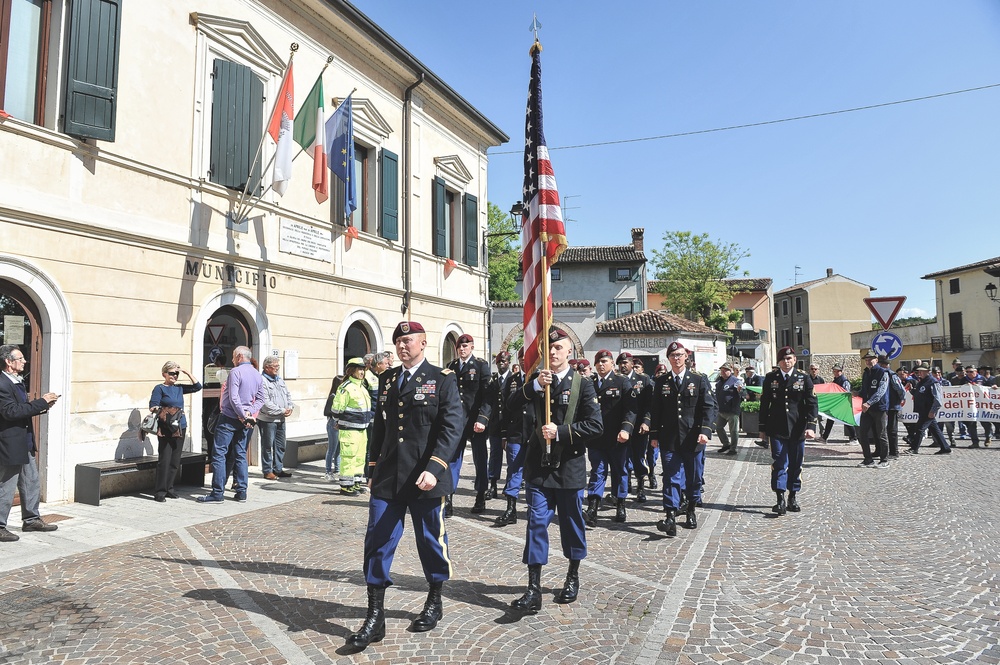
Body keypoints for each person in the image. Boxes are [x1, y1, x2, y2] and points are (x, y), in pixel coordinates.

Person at [347, 322, 463, 649]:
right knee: (377, 539)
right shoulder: (387, 379)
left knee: (430, 540)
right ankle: (375, 616)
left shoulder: (442, 379)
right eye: (398, 341)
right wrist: (372, 467)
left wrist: (436, 467)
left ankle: (435, 599)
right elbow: (380, 429)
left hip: (426, 477)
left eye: (408, 340)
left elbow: (452, 428)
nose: (402, 346)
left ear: (423, 343)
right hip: (388, 476)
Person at [507, 327, 602, 613]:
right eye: (549, 349)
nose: (553, 353)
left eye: (558, 348)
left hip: (569, 467)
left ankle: (572, 576)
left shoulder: (581, 385)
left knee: (572, 525)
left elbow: (596, 426)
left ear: (569, 351)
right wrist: (534, 386)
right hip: (538, 469)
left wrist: (560, 432)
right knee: (536, 525)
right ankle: (533, 589)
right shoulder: (538, 383)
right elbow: (510, 407)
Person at [648, 342, 717, 537]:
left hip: (693, 438)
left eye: (679, 355)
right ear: (668, 359)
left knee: (693, 478)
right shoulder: (662, 382)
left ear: (686, 357)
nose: (676, 358)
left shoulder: (698, 379)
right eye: (673, 356)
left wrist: (705, 431)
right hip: (669, 438)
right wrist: (654, 435)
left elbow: (708, 407)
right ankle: (670, 515)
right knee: (671, 477)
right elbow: (656, 411)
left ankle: (691, 510)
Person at [0, 344, 59, 542]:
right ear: (9, 362)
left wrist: (43, 406)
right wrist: (41, 402)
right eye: (21, 358)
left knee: (31, 481)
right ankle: (0, 526)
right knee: (7, 487)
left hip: (24, 441)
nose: (25, 361)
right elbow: (10, 412)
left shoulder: (16, 381)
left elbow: (22, 408)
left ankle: (31, 519)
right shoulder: (2, 383)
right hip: (9, 443)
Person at [198, 346, 264, 504]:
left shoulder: (236, 372)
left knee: (219, 454)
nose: (233, 360)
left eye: (234, 357)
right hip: (244, 420)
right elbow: (261, 399)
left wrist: (242, 414)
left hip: (229, 418)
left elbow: (234, 398)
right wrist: (248, 414)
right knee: (240, 454)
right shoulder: (256, 373)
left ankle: (217, 493)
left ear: (240, 356)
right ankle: (241, 492)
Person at [759, 346, 817, 515]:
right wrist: (762, 429)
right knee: (779, 462)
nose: (787, 361)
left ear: (794, 360)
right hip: (777, 428)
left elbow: (812, 403)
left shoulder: (803, 378)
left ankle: (793, 496)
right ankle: (780, 499)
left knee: (796, 463)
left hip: (797, 428)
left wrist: (811, 426)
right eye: (784, 359)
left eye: (790, 358)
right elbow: (764, 404)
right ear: (779, 361)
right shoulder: (771, 378)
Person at [584, 350, 636, 526]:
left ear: (612, 364)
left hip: (617, 437)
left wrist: (626, 429)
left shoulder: (622, 382)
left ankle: (621, 504)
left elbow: (630, 408)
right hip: (596, 438)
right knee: (597, 471)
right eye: (598, 361)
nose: (601, 364)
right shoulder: (589, 383)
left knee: (619, 471)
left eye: (604, 361)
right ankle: (593, 506)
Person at [446, 334, 492, 516]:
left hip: (476, 421)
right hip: (456, 421)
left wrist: (483, 419)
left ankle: (480, 495)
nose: (462, 349)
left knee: (480, 460)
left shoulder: (481, 366)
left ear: (472, 347)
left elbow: (488, 395)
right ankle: (448, 497)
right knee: (452, 460)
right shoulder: (451, 367)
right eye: (459, 347)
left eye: (465, 346)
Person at [147, 361, 202, 502]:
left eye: (176, 374)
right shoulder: (159, 389)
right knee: (164, 460)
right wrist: (167, 411)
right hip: (166, 428)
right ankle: (160, 492)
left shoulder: (179, 388)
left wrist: (187, 372)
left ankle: (169, 488)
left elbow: (197, 387)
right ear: (164, 374)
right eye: (171, 373)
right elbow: (153, 406)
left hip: (180, 427)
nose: (174, 376)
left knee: (175, 461)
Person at [495, 349, 529, 527]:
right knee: (514, 469)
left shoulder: (542, 377)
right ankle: (511, 508)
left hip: (534, 433)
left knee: (533, 471)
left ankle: (533, 506)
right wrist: (504, 433)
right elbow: (505, 409)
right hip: (515, 432)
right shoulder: (512, 380)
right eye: (521, 358)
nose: (524, 361)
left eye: (527, 358)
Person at [617, 352, 655, 502]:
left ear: (632, 364)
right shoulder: (616, 380)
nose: (623, 365)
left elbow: (649, 404)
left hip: (639, 426)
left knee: (639, 457)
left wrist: (646, 422)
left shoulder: (643, 380)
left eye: (626, 362)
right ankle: (625, 485)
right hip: (621, 426)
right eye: (620, 363)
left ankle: (641, 486)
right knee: (622, 458)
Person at [332, 358, 373, 495]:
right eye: (359, 369)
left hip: (362, 428)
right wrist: (338, 421)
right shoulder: (346, 387)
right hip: (349, 429)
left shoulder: (362, 386)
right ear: (351, 371)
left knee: (360, 457)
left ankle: (355, 482)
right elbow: (337, 408)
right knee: (349, 457)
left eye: (363, 369)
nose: (362, 372)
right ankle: (346, 485)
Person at [257, 356, 295, 480]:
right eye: (275, 366)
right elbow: (265, 403)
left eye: (278, 366)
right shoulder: (262, 381)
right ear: (267, 367)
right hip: (268, 419)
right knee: (267, 446)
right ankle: (267, 470)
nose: (277, 369)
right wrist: (282, 410)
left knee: (280, 445)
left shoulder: (279, 380)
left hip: (281, 418)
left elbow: (288, 395)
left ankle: (278, 469)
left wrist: (290, 406)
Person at [485, 351, 513, 501]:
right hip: (495, 425)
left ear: (509, 362)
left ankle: (509, 484)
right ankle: (493, 485)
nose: (501, 363)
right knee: (495, 456)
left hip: (509, 425)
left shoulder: (513, 379)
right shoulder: (493, 380)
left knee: (510, 457)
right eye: (499, 362)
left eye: (504, 361)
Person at [905, 364, 951, 455]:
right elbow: (919, 394)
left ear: (927, 372)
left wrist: (933, 411)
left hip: (928, 410)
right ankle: (945, 447)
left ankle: (914, 448)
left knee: (919, 429)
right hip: (922, 409)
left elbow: (938, 399)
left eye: (922, 371)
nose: (919, 373)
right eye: (919, 371)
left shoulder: (933, 382)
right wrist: (911, 390)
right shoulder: (922, 382)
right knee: (935, 429)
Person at [858, 350, 890, 469]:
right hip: (866, 408)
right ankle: (868, 459)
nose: (868, 362)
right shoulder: (866, 373)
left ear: (876, 360)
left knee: (881, 434)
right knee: (862, 433)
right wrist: (855, 393)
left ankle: (884, 460)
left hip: (879, 408)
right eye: (866, 360)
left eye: (870, 359)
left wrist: (869, 402)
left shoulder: (883, 372)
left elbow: (881, 391)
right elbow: (864, 390)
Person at [714, 363, 743, 455]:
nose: (722, 372)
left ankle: (733, 449)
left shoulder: (736, 381)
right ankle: (726, 444)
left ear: (730, 371)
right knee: (718, 427)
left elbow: (743, 391)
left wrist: (740, 390)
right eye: (721, 370)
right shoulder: (719, 381)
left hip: (732, 410)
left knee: (733, 431)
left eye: (725, 370)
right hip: (721, 410)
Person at [880, 356, 906, 459]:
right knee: (885, 429)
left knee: (892, 430)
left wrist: (900, 400)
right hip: (885, 405)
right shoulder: (882, 374)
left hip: (892, 405)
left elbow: (901, 389)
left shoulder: (892, 375)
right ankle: (885, 450)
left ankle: (894, 452)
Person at [822, 365, 857, 442]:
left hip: (843, 404)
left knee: (846, 421)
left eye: (837, 371)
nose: (836, 373)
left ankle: (854, 438)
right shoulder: (835, 381)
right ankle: (824, 438)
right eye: (834, 371)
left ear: (841, 371)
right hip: (836, 404)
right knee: (830, 419)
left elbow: (846, 393)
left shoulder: (844, 381)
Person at [956, 365, 986, 448]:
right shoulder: (964, 380)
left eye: (971, 371)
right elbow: (959, 390)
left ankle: (988, 436)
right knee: (971, 423)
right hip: (970, 406)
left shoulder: (982, 379)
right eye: (967, 372)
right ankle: (975, 442)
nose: (969, 373)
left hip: (982, 405)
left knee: (986, 423)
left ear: (975, 371)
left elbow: (990, 387)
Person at [323, 374, 346, 482]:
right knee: (332, 448)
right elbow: (326, 411)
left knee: (339, 448)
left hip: (341, 423)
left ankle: (337, 469)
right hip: (333, 423)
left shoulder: (341, 395)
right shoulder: (333, 396)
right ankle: (328, 471)